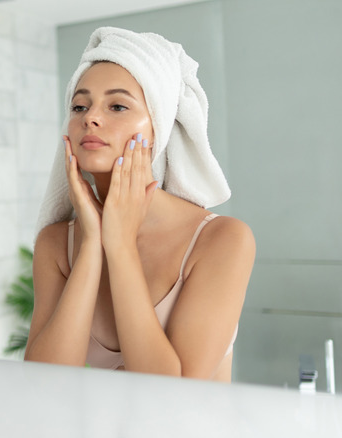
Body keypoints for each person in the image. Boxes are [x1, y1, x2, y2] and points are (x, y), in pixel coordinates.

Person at [25, 27, 255, 381]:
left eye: (117, 105)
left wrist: (119, 247)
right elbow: (42, 383)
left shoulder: (221, 240)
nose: (90, 118)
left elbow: (173, 393)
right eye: (79, 105)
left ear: (157, 127)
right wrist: (91, 247)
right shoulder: (57, 245)